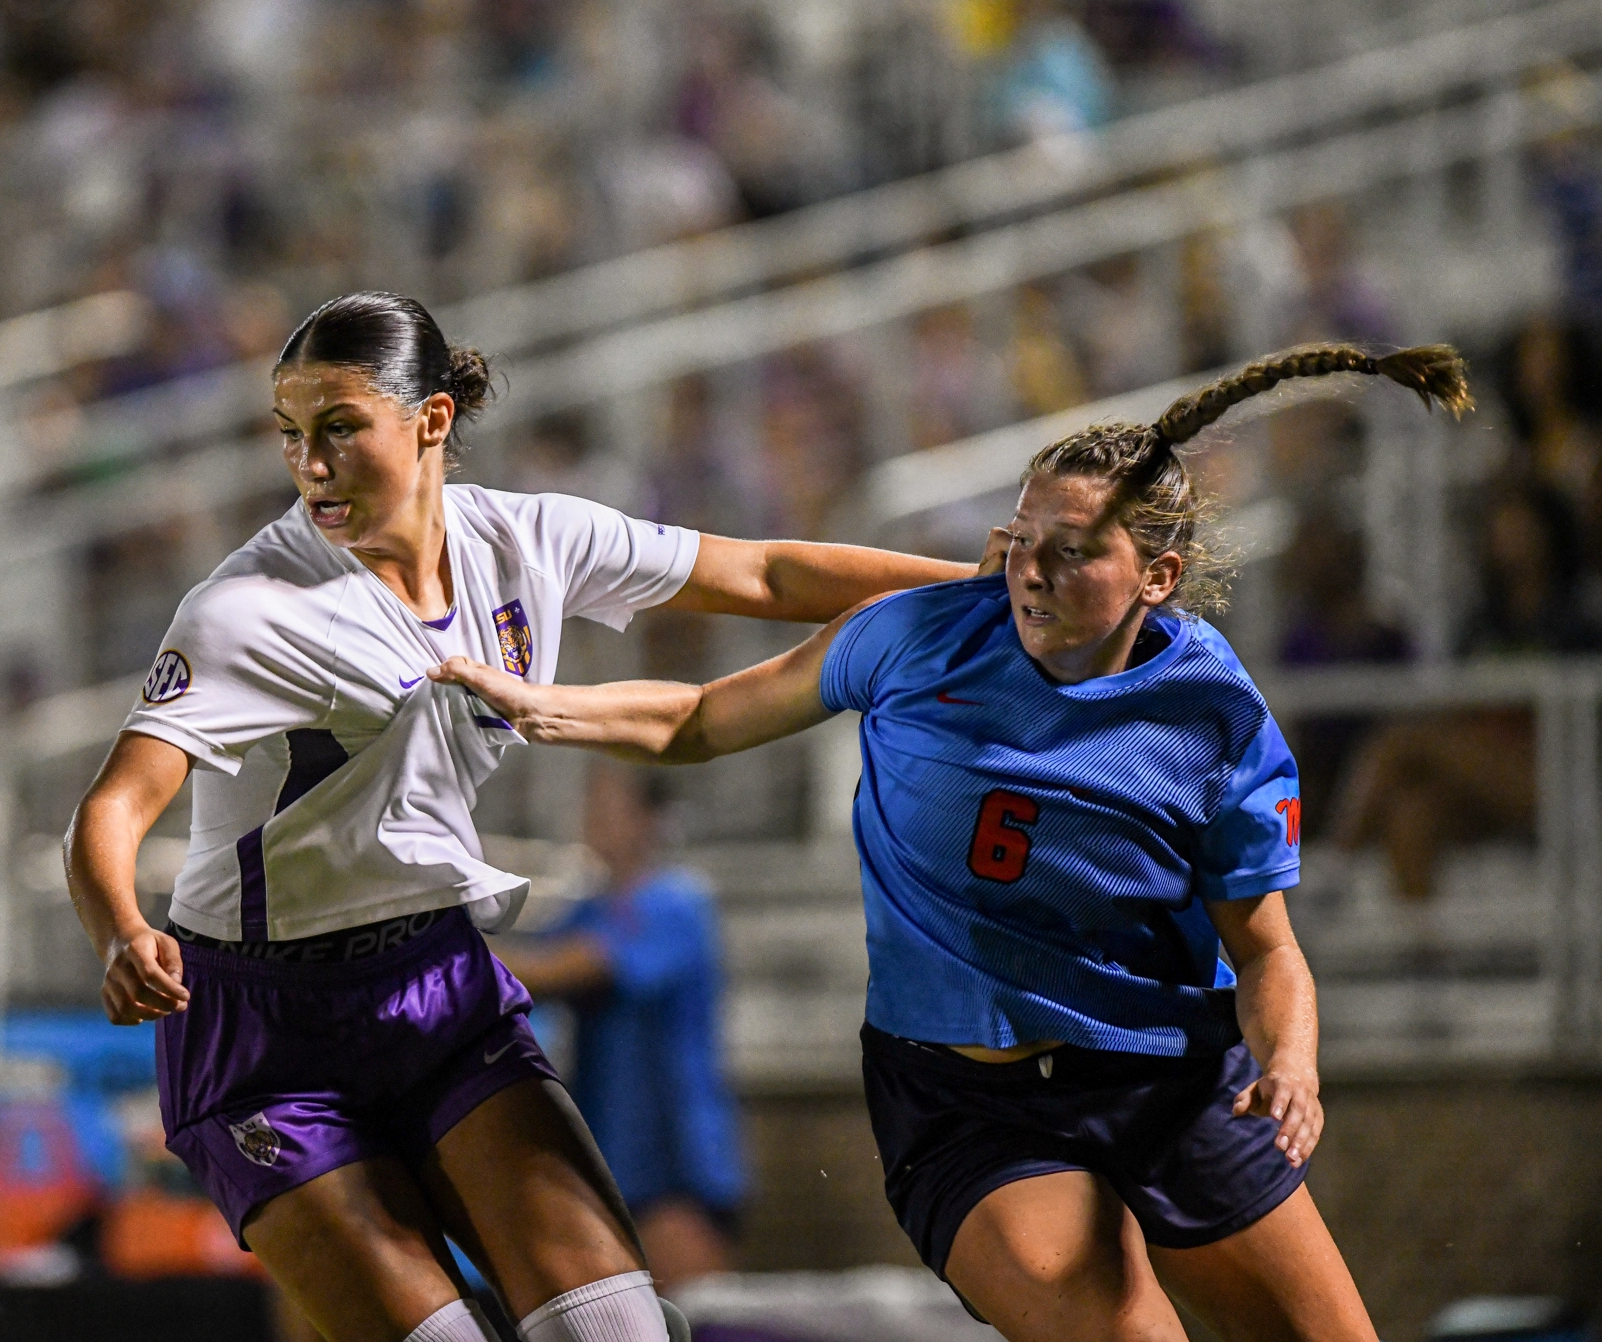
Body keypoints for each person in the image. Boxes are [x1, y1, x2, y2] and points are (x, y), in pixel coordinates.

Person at [431, 341, 1472, 1342]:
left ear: (1156, 577)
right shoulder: (918, 636)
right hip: (971, 1101)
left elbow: (1265, 949)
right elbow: (701, 719)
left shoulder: (1210, 713)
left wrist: (1293, 1061)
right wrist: (543, 705)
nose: (1030, 573)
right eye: (1020, 540)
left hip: (1168, 1082)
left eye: (1073, 553)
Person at [63, 291, 984, 1342]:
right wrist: (121, 933)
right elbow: (115, 805)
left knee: (618, 1334)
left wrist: (999, 592)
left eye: (338, 429)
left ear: (433, 422)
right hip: (264, 1036)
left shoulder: (530, 539)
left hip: (436, 987)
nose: (309, 466)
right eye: (290, 437)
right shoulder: (248, 609)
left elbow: (764, 571)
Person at [497, 764, 747, 1292]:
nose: (593, 821)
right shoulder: (586, 910)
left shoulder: (676, 902)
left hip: (673, 1164)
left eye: (609, 807)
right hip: (609, 1160)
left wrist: (439, 945)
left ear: (650, 818)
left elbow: (565, 967)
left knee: (692, 1316)